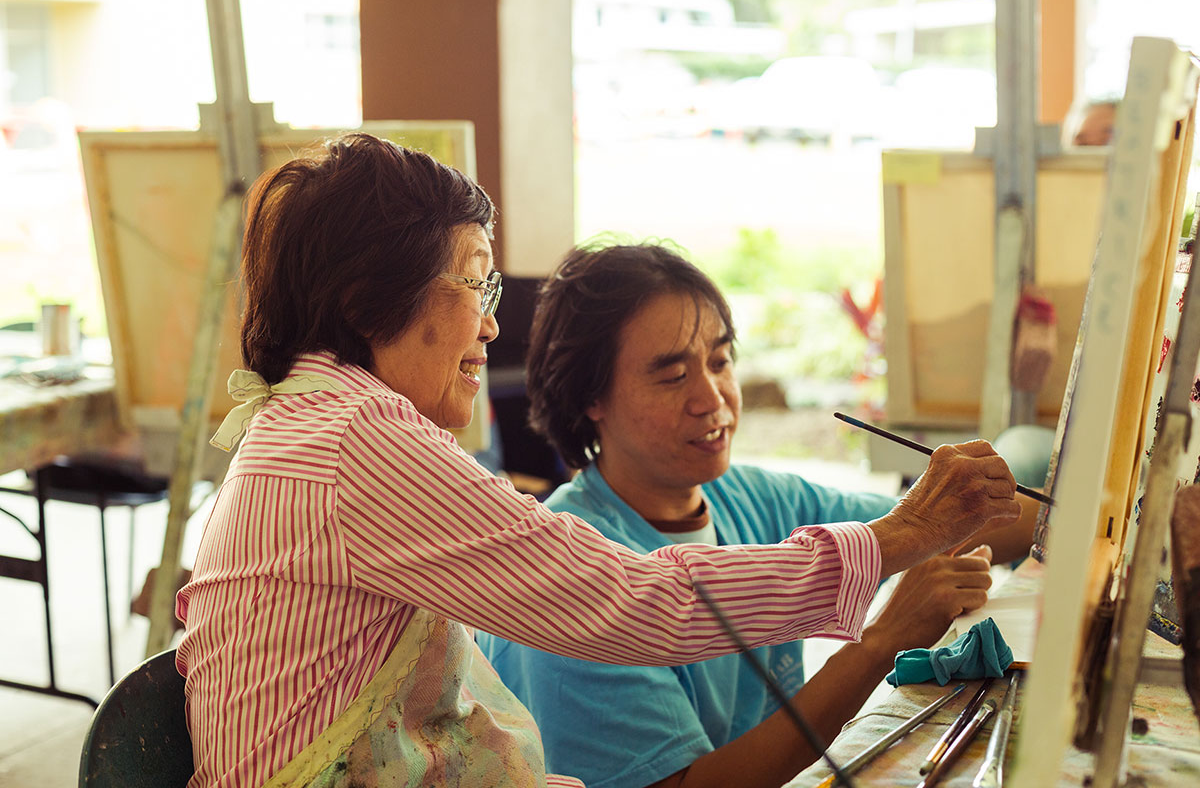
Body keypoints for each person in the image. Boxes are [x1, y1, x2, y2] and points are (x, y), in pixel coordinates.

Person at [175, 133, 1022, 788]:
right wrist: (895, 541)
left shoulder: (317, 424)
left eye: (720, 360)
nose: (490, 326)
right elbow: (628, 604)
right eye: (475, 286)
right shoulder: (355, 440)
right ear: (368, 301)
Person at [478, 243, 1039, 788]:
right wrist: (880, 643)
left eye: (720, 361)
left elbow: (952, 524)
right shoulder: (569, 576)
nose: (712, 399)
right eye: (672, 376)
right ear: (589, 398)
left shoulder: (753, 498)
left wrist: (1093, 506)